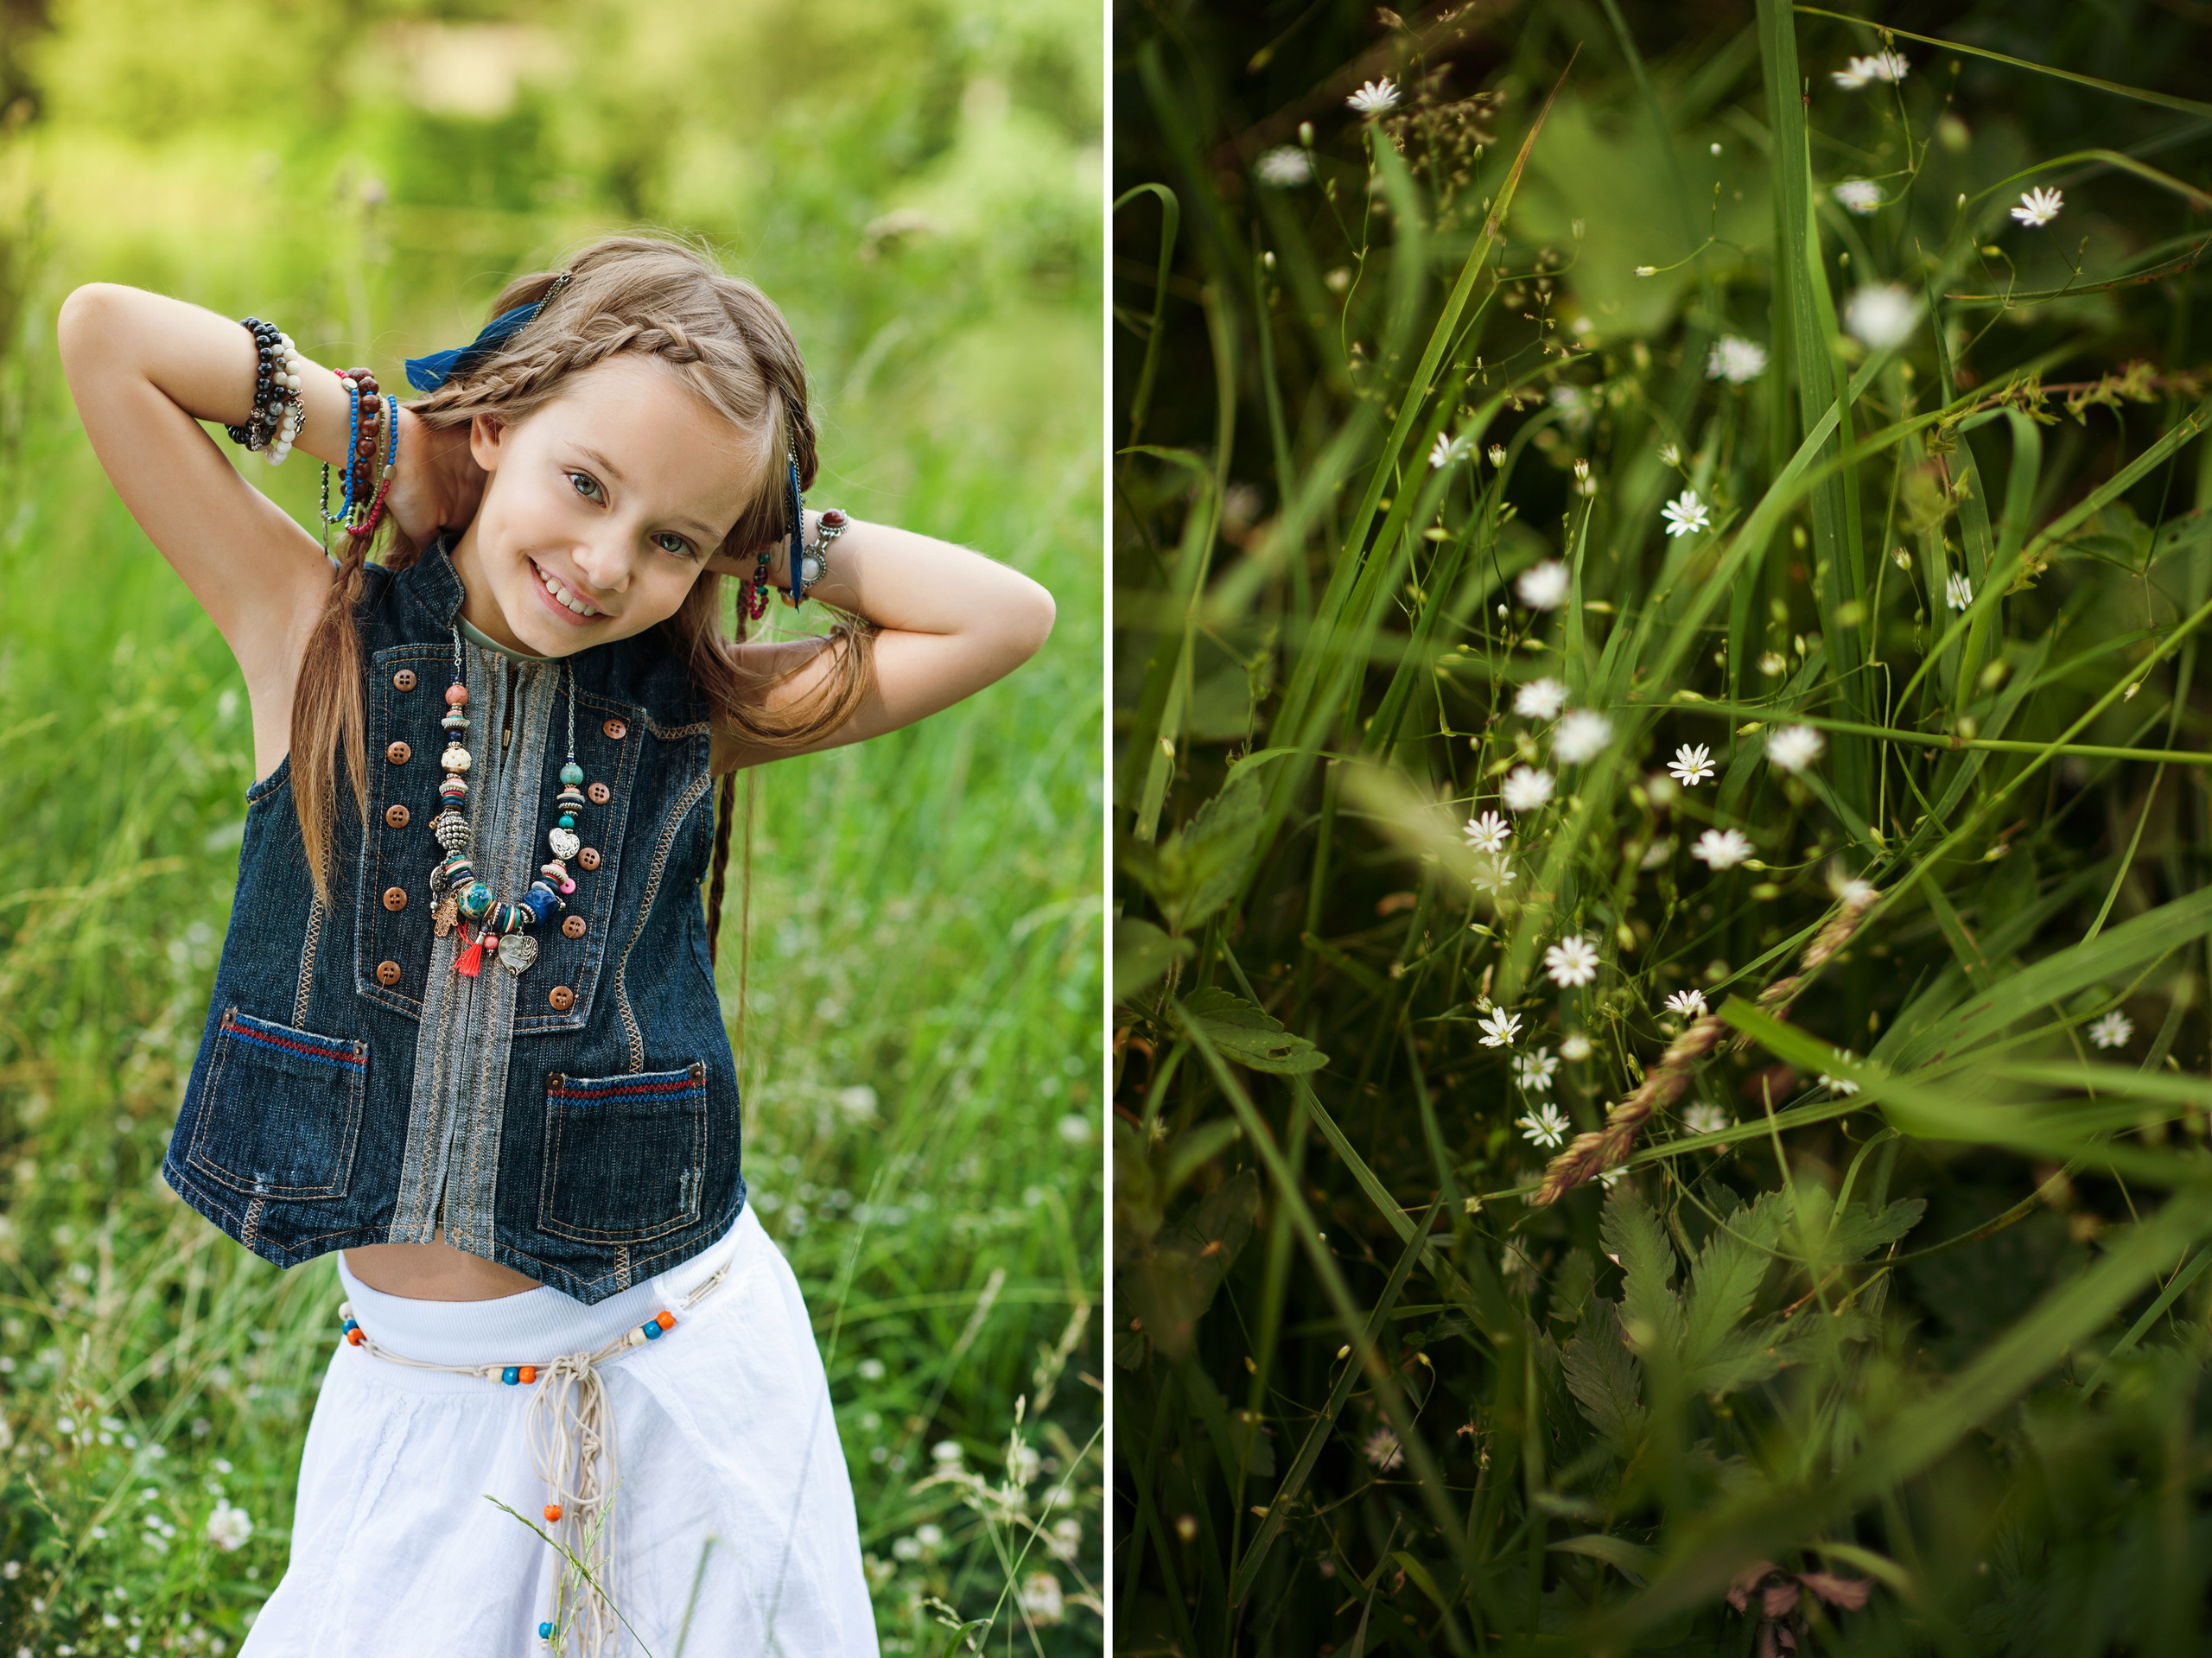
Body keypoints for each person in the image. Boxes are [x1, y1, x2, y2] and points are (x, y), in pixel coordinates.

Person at [56, 233, 1054, 1656]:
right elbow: (107, 336)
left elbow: (1005, 615)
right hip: (428, 1401)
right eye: (583, 483)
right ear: (503, 426)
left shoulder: (688, 714)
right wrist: (409, 442)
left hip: (679, 1373)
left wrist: (766, 533)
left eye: (673, 541)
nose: (604, 563)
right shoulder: (310, 638)